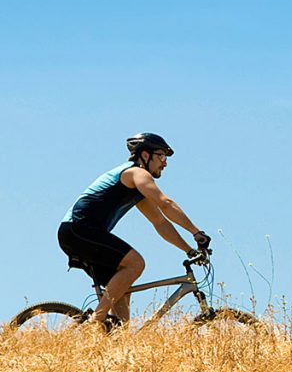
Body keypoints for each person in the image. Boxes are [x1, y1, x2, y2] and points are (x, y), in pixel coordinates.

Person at [57, 133, 211, 328]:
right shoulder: (136, 173)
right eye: (162, 156)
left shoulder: (137, 188)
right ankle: (95, 322)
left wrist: (189, 250)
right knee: (135, 263)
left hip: (79, 233)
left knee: (122, 288)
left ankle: (115, 342)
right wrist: (196, 232)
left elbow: (160, 223)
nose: (165, 163)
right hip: (78, 229)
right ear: (145, 155)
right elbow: (165, 203)